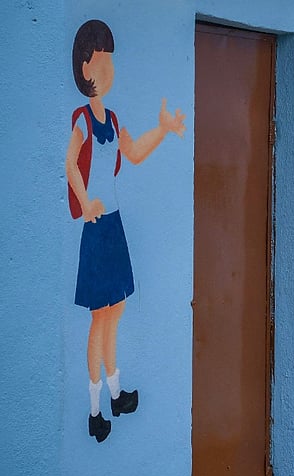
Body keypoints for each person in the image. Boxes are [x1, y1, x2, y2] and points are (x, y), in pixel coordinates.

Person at [67, 19, 185, 443]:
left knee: (116, 312)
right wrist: (85, 204)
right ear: (85, 69)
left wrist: (164, 130)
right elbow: (69, 166)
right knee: (99, 319)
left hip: (113, 224)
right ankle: (95, 409)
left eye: (112, 63)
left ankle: (117, 394)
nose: (110, 71)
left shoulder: (113, 121)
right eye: (104, 63)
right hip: (96, 227)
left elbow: (132, 153)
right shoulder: (82, 119)